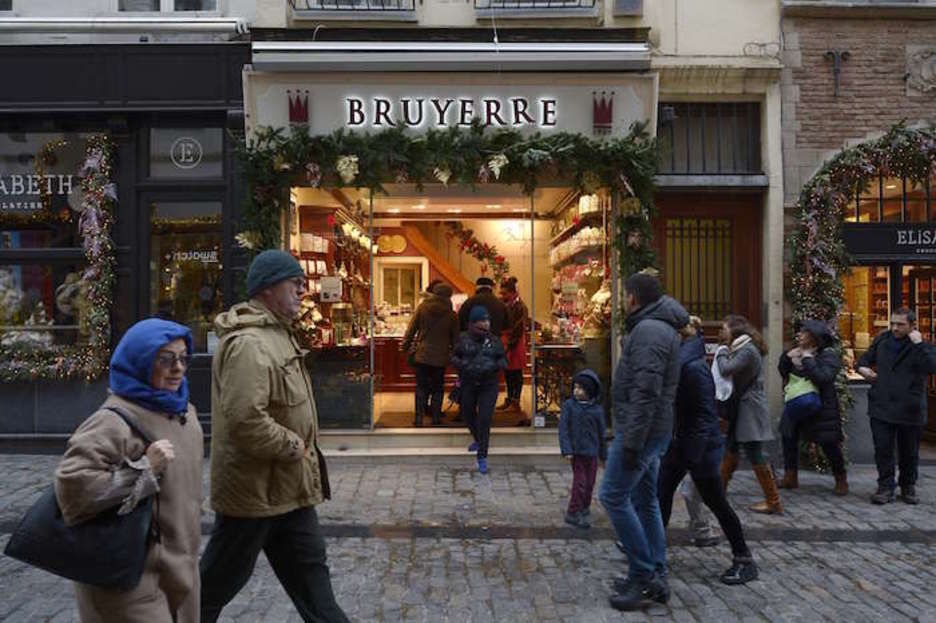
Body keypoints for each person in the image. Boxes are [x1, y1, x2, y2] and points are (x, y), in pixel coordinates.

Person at [200, 249, 348, 623]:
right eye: (294, 282)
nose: (303, 289)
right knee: (214, 586)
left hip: (290, 492)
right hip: (253, 496)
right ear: (266, 288)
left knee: (316, 588)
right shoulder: (250, 344)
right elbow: (245, 420)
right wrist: (293, 446)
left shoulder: (278, 334)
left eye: (303, 282)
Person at [55, 318, 203, 622]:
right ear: (140, 361)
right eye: (165, 359)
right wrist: (143, 469)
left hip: (180, 573)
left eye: (182, 357)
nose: (177, 367)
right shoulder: (113, 421)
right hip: (128, 580)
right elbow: (72, 491)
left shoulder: (184, 413)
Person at [599, 272, 687, 612]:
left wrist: (632, 441)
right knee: (645, 497)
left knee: (613, 495)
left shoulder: (649, 331)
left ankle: (644, 574)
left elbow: (646, 392)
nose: (623, 302)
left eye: (625, 296)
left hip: (642, 431)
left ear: (634, 298)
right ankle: (656, 568)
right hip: (652, 429)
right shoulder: (657, 327)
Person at [657, 318, 759, 586]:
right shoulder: (681, 363)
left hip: (697, 448)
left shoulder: (692, 368)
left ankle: (744, 559)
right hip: (682, 443)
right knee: (661, 496)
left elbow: (704, 415)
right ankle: (650, 553)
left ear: (676, 336)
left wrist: (694, 453)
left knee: (716, 502)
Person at [857, 307, 936, 505]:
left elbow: (931, 367)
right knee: (883, 449)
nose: (895, 328)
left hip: (910, 407)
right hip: (882, 404)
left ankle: (908, 486)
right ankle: (885, 487)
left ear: (913, 326)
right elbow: (864, 360)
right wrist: (863, 369)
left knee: (909, 451)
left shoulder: (921, 345)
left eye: (900, 324)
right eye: (892, 323)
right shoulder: (882, 341)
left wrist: (919, 344)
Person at [716, 315, 782, 514]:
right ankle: (718, 494)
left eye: (724, 328)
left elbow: (726, 369)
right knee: (731, 447)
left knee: (753, 451)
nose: (722, 332)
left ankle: (773, 501)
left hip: (749, 408)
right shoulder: (743, 348)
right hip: (743, 406)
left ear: (735, 331)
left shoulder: (747, 350)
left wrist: (720, 353)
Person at [778, 319, 849, 496]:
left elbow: (823, 378)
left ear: (814, 338)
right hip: (796, 405)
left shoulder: (828, 356)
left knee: (829, 444)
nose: (799, 335)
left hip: (821, 408)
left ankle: (841, 478)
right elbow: (783, 371)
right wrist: (787, 358)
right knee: (789, 439)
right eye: (800, 332)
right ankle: (790, 476)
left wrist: (808, 360)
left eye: (804, 332)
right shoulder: (796, 352)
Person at [452, 305, 507, 474]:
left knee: (484, 418)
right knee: (467, 414)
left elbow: (503, 360)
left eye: (487, 320)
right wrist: (464, 366)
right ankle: (478, 438)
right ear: (473, 323)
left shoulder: (495, 341)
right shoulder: (463, 339)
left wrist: (492, 366)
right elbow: (454, 356)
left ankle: (482, 455)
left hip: (488, 385)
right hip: (469, 383)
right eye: (482, 321)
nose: (486, 324)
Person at [402, 282, 459, 426]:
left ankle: (419, 418)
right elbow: (456, 339)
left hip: (422, 355)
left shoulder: (422, 308)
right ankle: (436, 418)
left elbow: (411, 331)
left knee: (421, 387)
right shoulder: (452, 315)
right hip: (440, 358)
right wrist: (455, 356)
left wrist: (405, 346)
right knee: (438, 388)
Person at [558, 369, 607, 529]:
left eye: (580, 388)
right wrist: (567, 449)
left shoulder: (597, 410)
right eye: (575, 387)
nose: (576, 391)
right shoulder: (569, 406)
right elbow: (563, 429)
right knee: (580, 482)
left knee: (590, 482)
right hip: (577, 452)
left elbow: (601, 434)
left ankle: (584, 507)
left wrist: (603, 455)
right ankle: (573, 511)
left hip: (591, 452)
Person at [499, 276, 529, 417]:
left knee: (516, 373)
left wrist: (509, 344)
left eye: (504, 293)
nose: (502, 296)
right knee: (508, 372)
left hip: (515, 342)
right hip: (508, 340)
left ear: (512, 292)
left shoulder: (520, 306)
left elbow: (519, 328)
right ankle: (510, 399)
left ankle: (515, 402)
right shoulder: (507, 304)